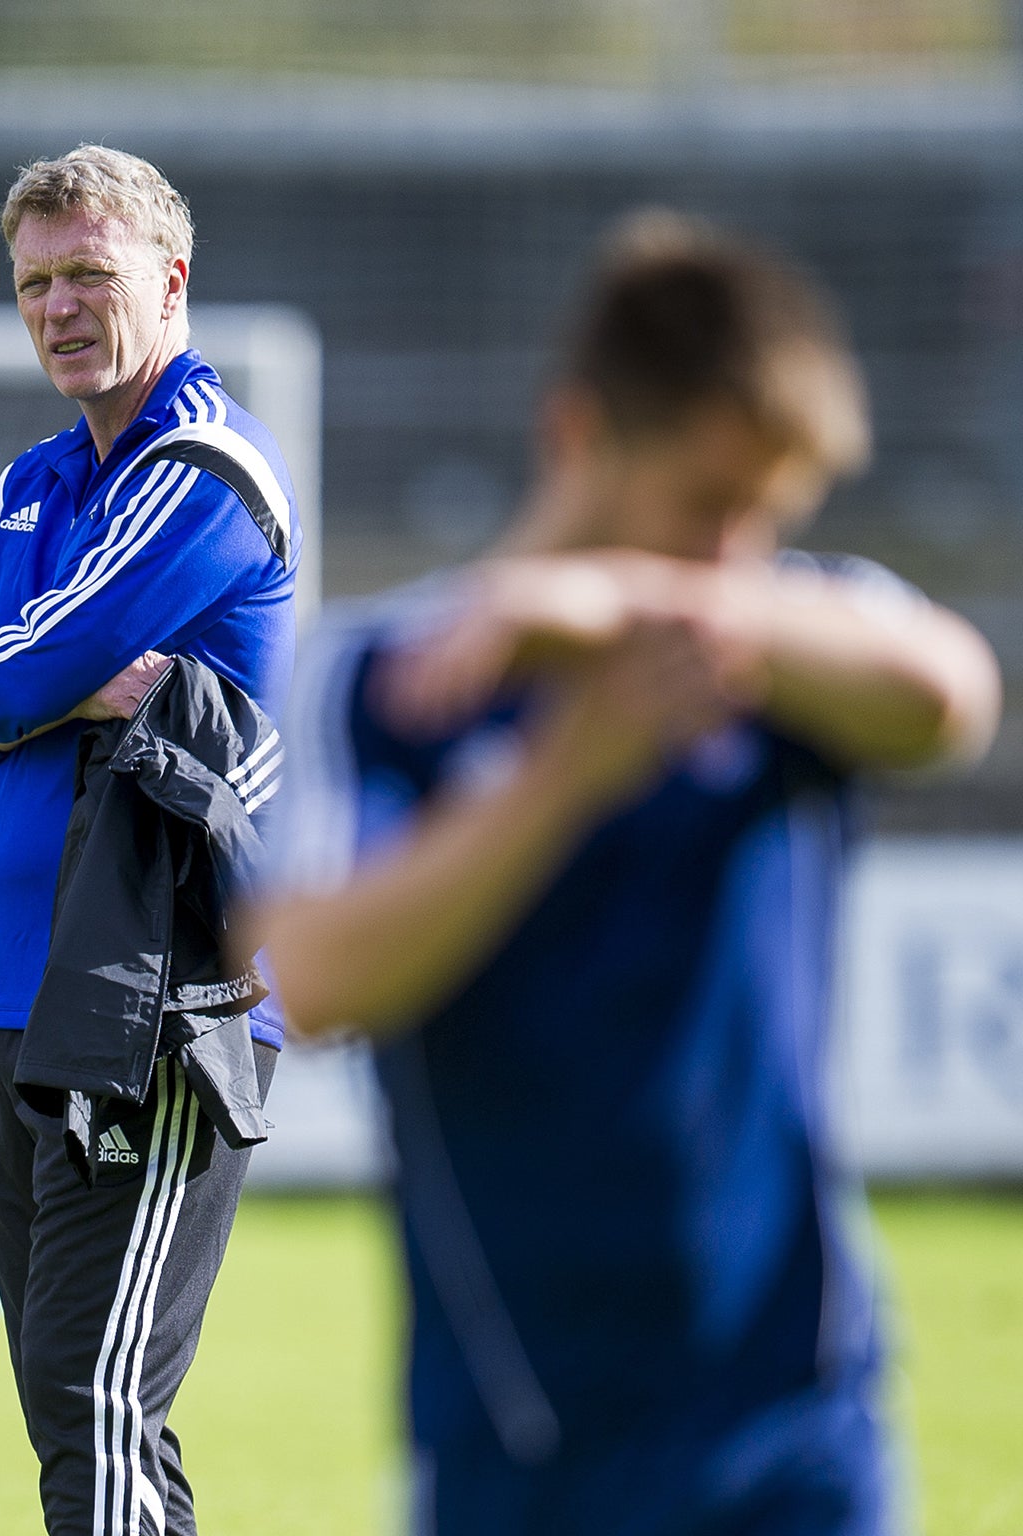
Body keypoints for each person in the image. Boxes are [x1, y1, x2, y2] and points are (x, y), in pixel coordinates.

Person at [253, 212, 1002, 1536]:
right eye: (709, 508)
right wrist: (566, 774)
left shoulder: (782, 641)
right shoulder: (381, 676)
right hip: (521, 1433)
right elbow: (303, 978)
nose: (738, 557)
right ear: (580, 437)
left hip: (802, 1414)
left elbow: (953, 697)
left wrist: (633, 598)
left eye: (769, 519)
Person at [0, 145, 299, 1536]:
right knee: (76, 1405)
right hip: (11, 999)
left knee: (92, 1400)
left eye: (90, 277)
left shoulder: (209, 468)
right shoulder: (29, 482)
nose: (58, 308)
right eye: (34, 284)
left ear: (172, 284)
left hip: (155, 1001)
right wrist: (8, 675)